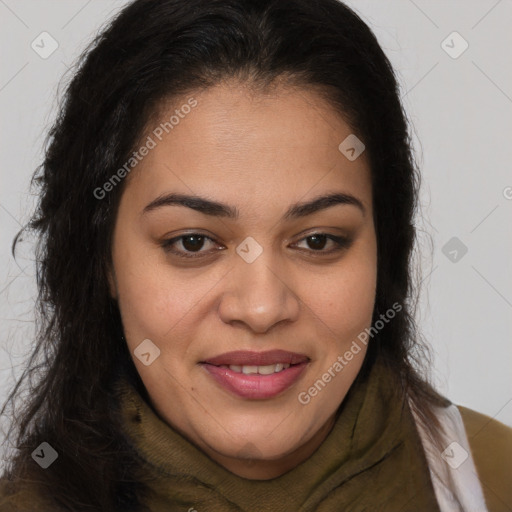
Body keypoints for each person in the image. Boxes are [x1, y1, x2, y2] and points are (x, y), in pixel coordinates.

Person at [0, 0, 510, 510]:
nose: (262, 308)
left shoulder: (495, 474)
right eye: (193, 242)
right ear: (102, 260)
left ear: (386, 250)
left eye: (318, 240)